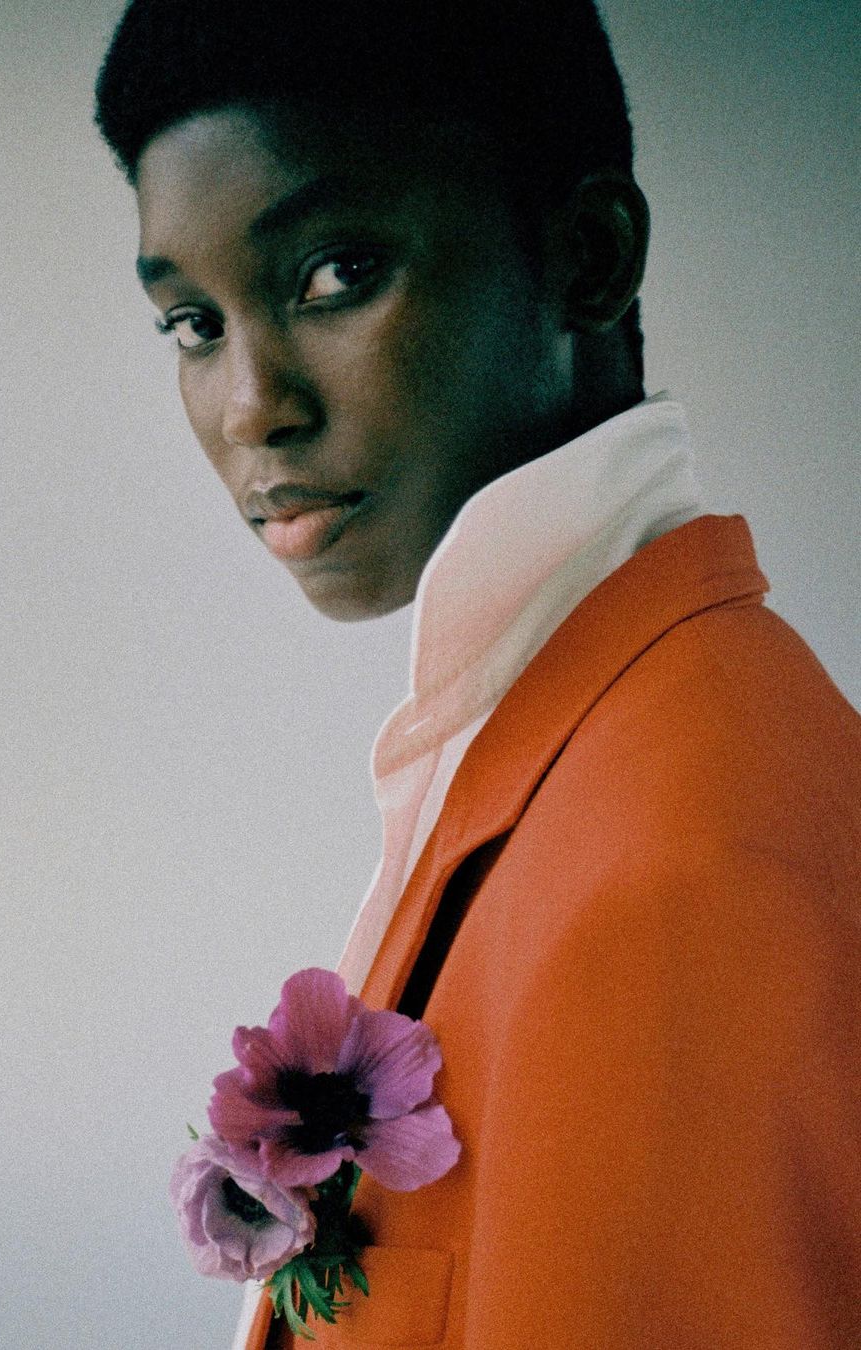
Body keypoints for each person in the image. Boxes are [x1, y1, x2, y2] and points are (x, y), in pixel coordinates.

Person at [95, 2, 861, 1345]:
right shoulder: (578, 739)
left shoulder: (685, 850)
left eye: (335, 272)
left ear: (587, 256)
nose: (252, 405)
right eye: (193, 322)